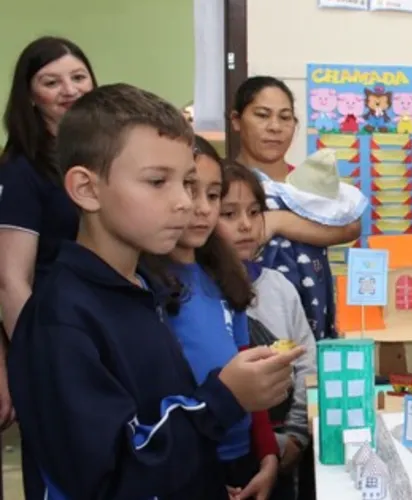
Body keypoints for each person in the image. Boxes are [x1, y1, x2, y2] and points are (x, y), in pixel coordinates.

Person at [7, 83, 304, 499]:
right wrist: (223, 399)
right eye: (157, 182)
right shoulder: (62, 319)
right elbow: (109, 475)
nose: (184, 202)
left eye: (186, 181)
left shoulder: (143, 290)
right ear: (87, 189)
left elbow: (165, 421)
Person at [158, 135, 280, 499]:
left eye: (213, 195)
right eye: (190, 190)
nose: (202, 208)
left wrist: (268, 454)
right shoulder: (150, 286)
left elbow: (248, 376)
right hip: (189, 461)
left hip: (243, 455)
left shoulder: (225, 278)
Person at [230, 76, 364, 340]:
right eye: (262, 115)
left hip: (314, 308)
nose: (274, 127)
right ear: (236, 120)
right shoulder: (224, 181)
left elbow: (350, 226)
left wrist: (278, 222)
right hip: (251, 312)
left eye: (285, 117)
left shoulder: (307, 181)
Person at [215, 162, 318, 500]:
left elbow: (306, 362)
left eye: (254, 211)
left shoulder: (279, 287)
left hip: (284, 445)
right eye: (228, 214)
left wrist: (296, 435)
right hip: (225, 457)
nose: (245, 225)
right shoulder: (197, 296)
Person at [0, 36, 96, 335]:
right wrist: (33, 353)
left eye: (79, 77)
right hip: (55, 325)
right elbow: (11, 280)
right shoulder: (21, 170)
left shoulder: (100, 154)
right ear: (29, 95)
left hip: (100, 316)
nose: (70, 90)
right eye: (51, 83)